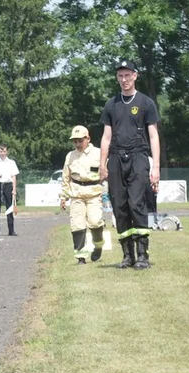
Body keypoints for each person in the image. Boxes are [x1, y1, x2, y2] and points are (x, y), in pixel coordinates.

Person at [99, 60, 160, 270]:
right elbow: (106, 137)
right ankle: (128, 256)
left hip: (138, 157)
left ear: (135, 76)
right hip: (116, 158)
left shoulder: (146, 103)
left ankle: (143, 255)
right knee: (120, 206)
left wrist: (156, 167)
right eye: (120, 76)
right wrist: (102, 164)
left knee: (137, 204)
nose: (124, 80)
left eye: (127, 75)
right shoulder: (111, 104)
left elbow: (154, 136)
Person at [59, 126, 106, 264]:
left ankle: (98, 246)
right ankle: (81, 257)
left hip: (94, 193)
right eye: (75, 141)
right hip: (77, 194)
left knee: (95, 221)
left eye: (80, 140)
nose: (78, 144)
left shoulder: (99, 153)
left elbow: (106, 173)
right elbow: (65, 178)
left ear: (88, 139)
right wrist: (63, 196)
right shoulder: (70, 156)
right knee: (77, 225)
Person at [0, 143, 19, 237]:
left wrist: (14, 189)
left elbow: (14, 176)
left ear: (7, 152)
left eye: (4, 151)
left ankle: (11, 230)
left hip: (8, 185)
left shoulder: (11, 162)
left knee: (10, 208)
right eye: (1, 151)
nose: (2, 153)